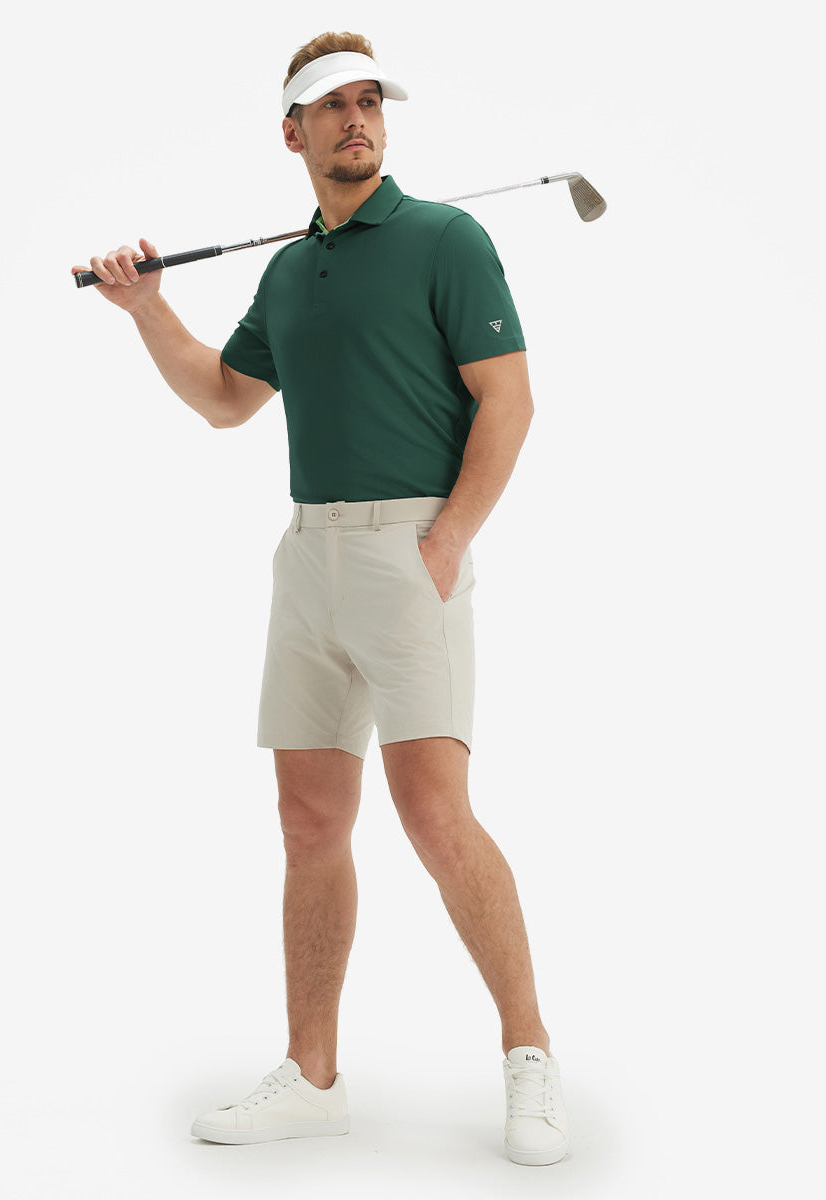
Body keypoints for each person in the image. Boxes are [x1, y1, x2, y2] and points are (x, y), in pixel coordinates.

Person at [72, 30, 571, 1167]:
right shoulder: (291, 271)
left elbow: (509, 402)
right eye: (332, 106)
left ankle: (530, 1053)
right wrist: (147, 309)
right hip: (306, 558)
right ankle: (312, 1076)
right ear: (291, 132)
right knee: (308, 821)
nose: (358, 120)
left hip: (412, 549)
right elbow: (225, 398)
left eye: (369, 102)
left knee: (435, 815)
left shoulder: (446, 238)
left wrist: (447, 540)